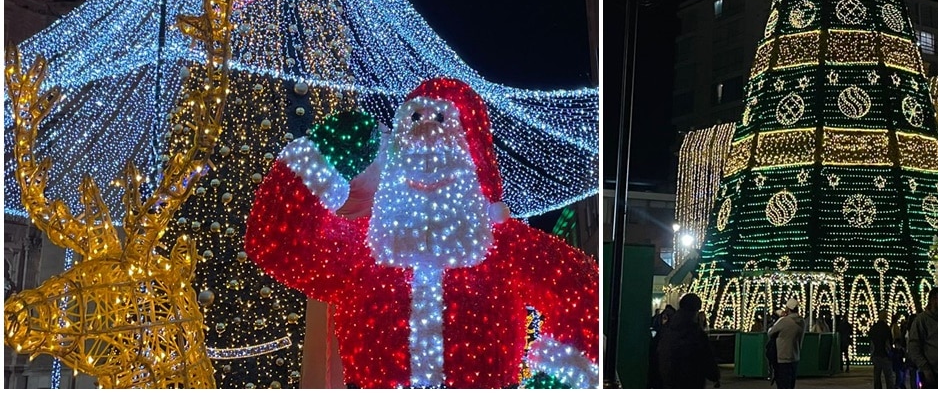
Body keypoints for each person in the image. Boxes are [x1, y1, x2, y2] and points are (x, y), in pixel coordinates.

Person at [246, 79, 599, 388]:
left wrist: (556, 380)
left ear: (473, 160)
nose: (427, 144)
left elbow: (584, 291)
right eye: (415, 127)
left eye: (444, 134)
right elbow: (277, 241)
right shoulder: (365, 249)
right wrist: (327, 151)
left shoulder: (502, 246)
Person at [658, 293, 721, 389]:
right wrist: (715, 377)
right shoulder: (696, 333)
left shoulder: (668, 329)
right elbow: (707, 358)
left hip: (669, 382)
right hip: (691, 382)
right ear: (695, 311)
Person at [768, 299, 805, 388]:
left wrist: (780, 318)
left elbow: (770, 332)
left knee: (783, 384)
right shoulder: (802, 322)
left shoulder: (784, 321)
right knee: (791, 385)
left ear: (788, 309)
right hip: (795, 357)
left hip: (782, 358)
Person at [868, 310, 896, 389]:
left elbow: (871, 341)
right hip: (885, 355)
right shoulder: (886, 328)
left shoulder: (874, 328)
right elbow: (888, 342)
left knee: (877, 377)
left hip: (876, 354)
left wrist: (872, 354)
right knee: (888, 377)